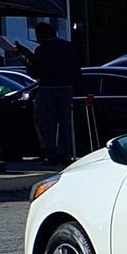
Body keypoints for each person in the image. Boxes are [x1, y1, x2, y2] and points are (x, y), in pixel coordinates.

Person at [25, 22, 79, 165]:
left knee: (45, 122)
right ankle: (65, 152)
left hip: (48, 87)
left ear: (42, 34)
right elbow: (76, 68)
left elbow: (35, 71)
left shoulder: (42, 50)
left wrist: (26, 60)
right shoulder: (68, 47)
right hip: (67, 87)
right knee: (64, 122)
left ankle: (50, 152)